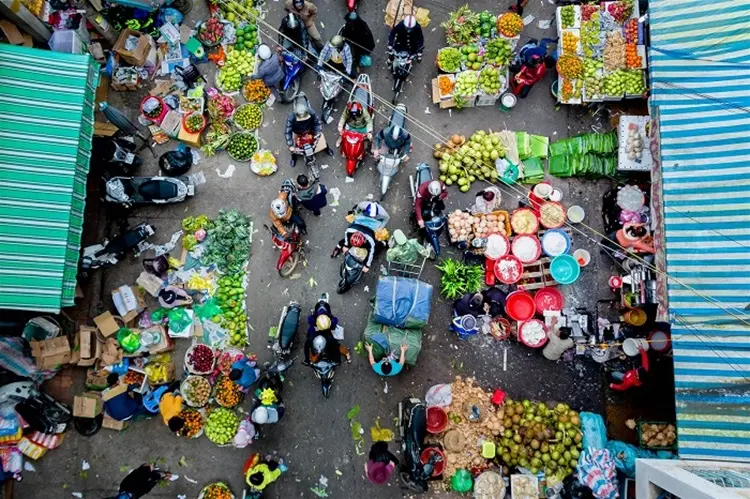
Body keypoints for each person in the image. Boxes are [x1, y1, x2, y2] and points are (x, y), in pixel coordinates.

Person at [285, 99, 332, 166]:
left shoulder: (311, 112)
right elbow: (288, 131)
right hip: (298, 132)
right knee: (293, 149)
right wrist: (290, 145)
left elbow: (317, 123)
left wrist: (317, 133)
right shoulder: (291, 117)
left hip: (310, 130)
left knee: (322, 140)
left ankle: (327, 149)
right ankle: (293, 158)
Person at [108, 463, 173, 499]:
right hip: (133, 493)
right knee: (145, 487)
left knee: (133, 483)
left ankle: (150, 471)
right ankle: (156, 476)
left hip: (126, 490)